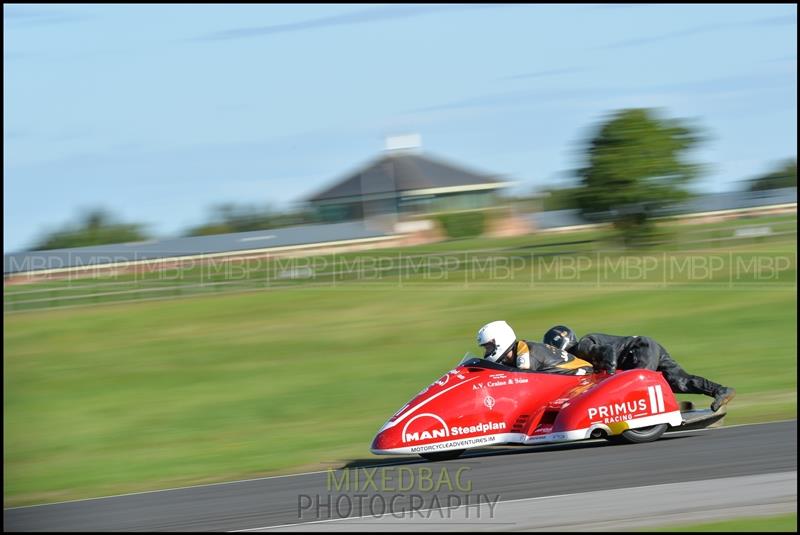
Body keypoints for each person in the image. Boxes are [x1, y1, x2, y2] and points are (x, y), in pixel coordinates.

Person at [543, 325, 736, 412]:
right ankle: (720, 390)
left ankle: (660, 411)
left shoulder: (582, 347)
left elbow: (609, 351)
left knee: (639, 382)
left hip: (639, 350)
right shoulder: (581, 352)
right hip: (647, 347)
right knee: (679, 381)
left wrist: (608, 379)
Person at [477, 321, 593, 375]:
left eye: (488, 347)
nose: (486, 352)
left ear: (500, 342)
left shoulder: (525, 357)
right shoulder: (520, 349)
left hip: (582, 378)